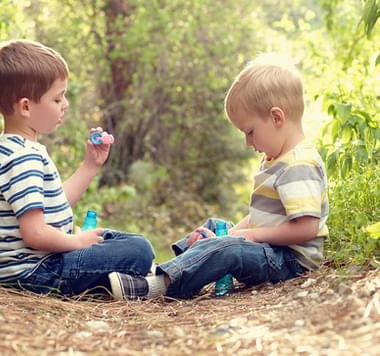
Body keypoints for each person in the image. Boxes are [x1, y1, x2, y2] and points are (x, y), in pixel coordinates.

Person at [109, 53, 329, 300]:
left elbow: (307, 228)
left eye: (250, 131)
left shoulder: (298, 164)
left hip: (289, 261)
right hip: (271, 250)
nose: (248, 142)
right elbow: (262, 217)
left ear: (277, 117)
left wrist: (248, 236)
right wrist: (232, 233)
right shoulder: (277, 158)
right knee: (215, 227)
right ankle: (168, 269)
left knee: (228, 247)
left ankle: (161, 285)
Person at [0, 39, 154, 296]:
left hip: (41, 264)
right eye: (57, 98)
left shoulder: (19, 148)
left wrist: (90, 165)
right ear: (26, 107)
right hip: (36, 272)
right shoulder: (21, 158)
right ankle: (121, 286)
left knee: (121, 241)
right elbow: (35, 233)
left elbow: (55, 204)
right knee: (139, 250)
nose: (65, 104)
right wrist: (75, 242)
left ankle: (115, 282)